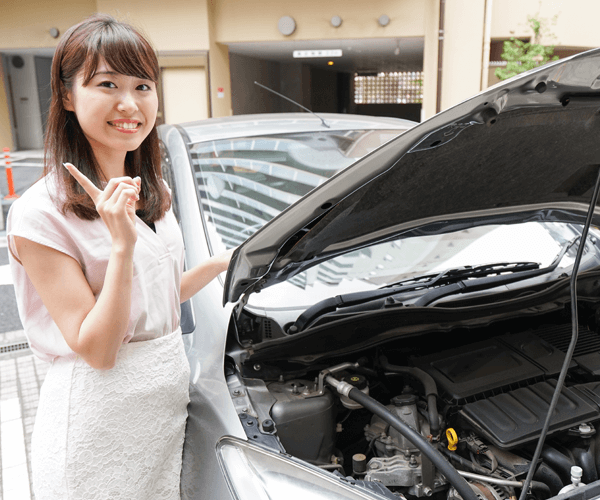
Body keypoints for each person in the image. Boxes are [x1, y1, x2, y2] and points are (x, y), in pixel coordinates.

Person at [6, 14, 231, 500]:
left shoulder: (154, 190)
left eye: (143, 86)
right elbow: (98, 349)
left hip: (163, 409)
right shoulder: (39, 214)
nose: (129, 104)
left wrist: (219, 268)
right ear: (67, 96)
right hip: (97, 422)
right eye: (107, 84)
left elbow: (153, 297)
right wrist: (121, 246)